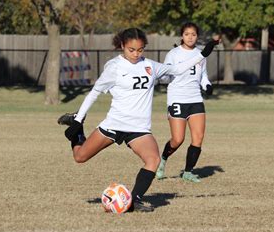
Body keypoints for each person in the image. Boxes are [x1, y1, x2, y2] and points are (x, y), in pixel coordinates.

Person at [62, 28, 219, 212]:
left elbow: (176, 69)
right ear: (122, 46)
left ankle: (134, 201)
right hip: (114, 124)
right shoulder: (114, 67)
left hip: (139, 128)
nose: (136, 54)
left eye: (140, 50)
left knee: (153, 159)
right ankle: (78, 134)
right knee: (80, 157)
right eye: (131, 50)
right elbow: (94, 93)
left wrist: (202, 54)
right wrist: (78, 121)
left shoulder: (150, 66)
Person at [155, 23, 213, 183]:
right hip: (177, 99)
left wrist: (207, 85)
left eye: (193, 34)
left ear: (197, 36)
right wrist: (163, 76)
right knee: (177, 139)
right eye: (187, 34)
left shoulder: (201, 54)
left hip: (195, 99)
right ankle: (163, 159)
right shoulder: (173, 54)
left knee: (198, 138)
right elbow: (165, 76)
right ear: (182, 36)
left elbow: (203, 76)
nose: (190, 37)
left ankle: (188, 172)